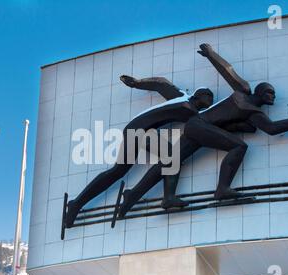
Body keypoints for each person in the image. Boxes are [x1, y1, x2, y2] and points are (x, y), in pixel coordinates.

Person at [117, 43, 288, 218]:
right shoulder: (243, 92)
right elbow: (227, 71)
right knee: (239, 146)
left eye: (273, 94)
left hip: (200, 131)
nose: (272, 96)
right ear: (259, 91)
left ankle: (133, 195)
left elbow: (272, 128)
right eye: (269, 92)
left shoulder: (255, 115)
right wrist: (211, 54)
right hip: (199, 125)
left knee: (170, 163)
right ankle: (222, 189)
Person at [65, 74, 214, 228]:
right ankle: (166, 197)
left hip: (138, 131)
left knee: (118, 171)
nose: (211, 100)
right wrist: (137, 83)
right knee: (172, 155)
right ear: (198, 95)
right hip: (139, 130)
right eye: (209, 95)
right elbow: (161, 84)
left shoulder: (196, 114)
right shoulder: (182, 97)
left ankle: (76, 204)